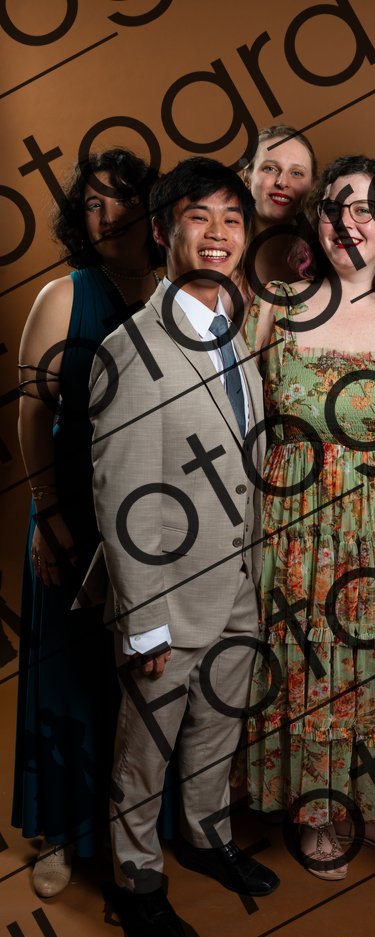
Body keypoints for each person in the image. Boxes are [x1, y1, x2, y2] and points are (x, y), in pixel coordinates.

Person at [245, 155, 375, 880]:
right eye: (335, 207)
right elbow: (228, 418)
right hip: (294, 535)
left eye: (366, 210)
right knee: (305, 673)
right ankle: (317, 812)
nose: (348, 223)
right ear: (316, 221)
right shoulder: (276, 305)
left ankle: (368, 807)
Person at [88, 157, 279, 937]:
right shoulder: (132, 348)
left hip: (237, 583)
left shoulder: (232, 331)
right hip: (166, 596)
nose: (218, 233)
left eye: (233, 219)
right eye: (199, 216)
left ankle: (205, 834)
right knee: (145, 753)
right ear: (164, 232)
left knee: (216, 728)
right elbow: (121, 491)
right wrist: (144, 621)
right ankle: (136, 880)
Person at [13, 148, 160, 897]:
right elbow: (32, 411)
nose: (107, 216)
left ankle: (137, 828)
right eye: (92, 204)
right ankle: (62, 833)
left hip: (158, 520)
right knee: (69, 678)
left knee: (145, 679)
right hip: (71, 515)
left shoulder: (180, 291)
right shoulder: (62, 296)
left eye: (122, 200)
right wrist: (48, 515)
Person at [242, 124, 317, 289]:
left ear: (312, 186)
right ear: (247, 178)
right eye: (270, 168)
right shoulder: (219, 253)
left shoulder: (328, 261)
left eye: (296, 173)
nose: (282, 182)